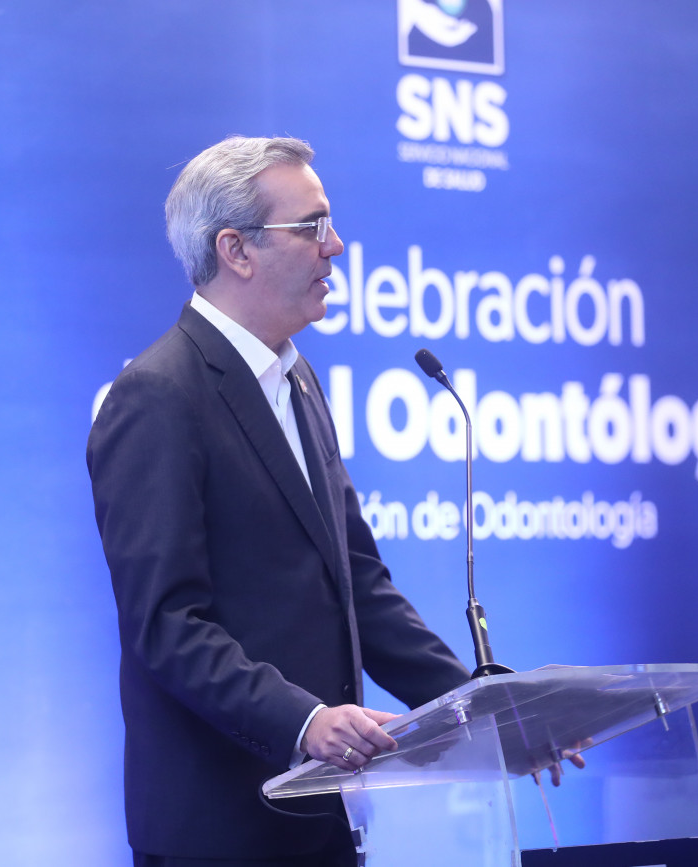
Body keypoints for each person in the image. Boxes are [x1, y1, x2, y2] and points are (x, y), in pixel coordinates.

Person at [87, 136, 470, 866]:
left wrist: (486, 711)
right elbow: (167, 625)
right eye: (312, 226)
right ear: (236, 249)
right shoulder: (157, 395)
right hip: (219, 831)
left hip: (322, 819)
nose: (336, 246)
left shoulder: (298, 380)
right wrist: (305, 720)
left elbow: (359, 587)